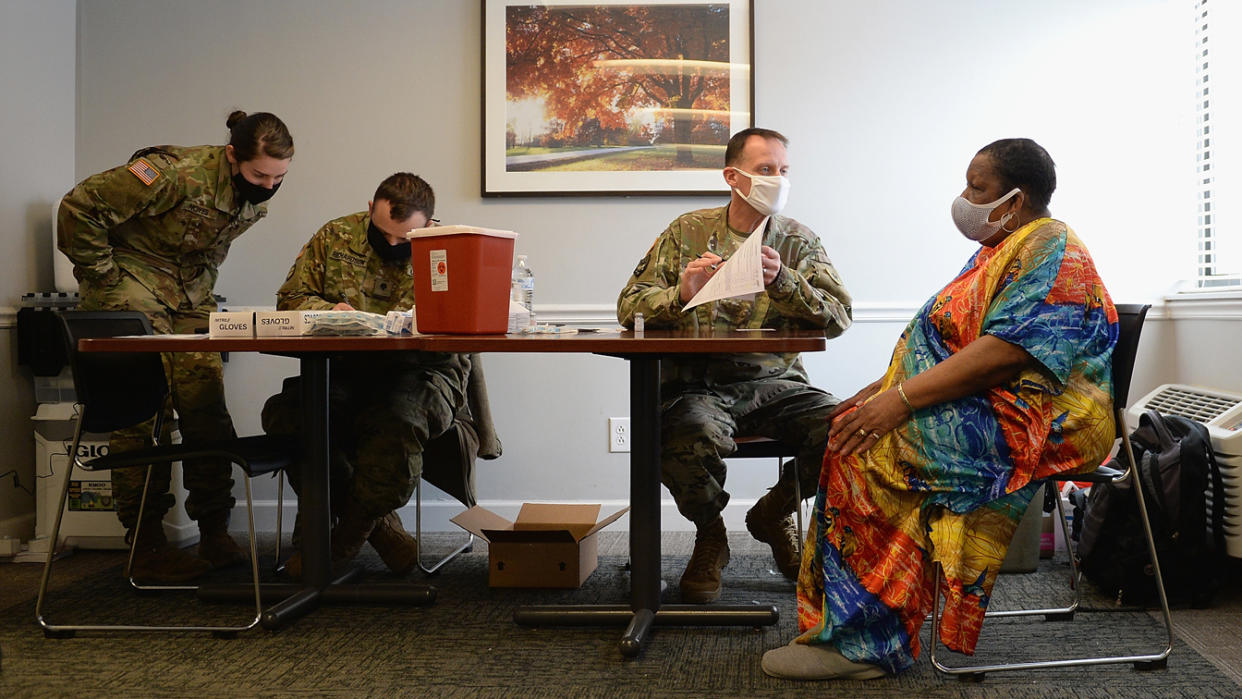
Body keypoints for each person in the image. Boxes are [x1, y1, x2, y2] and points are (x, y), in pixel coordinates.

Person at [761, 138, 1118, 680]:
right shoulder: (1003, 247)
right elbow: (953, 341)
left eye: (979, 188)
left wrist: (899, 402)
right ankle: (865, 615)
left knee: (873, 450)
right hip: (996, 404)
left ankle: (863, 646)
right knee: (848, 428)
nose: (965, 198)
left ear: (1016, 200)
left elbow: (1007, 352)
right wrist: (883, 389)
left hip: (1044, 422)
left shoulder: (1053, 248)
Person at [616, 127, 853, 603]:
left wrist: (784, 281)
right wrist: (680, 293)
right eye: (766, 170)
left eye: (784, 171)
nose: (778, 180)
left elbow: (839, 317)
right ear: (733, 176)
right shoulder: (687, 231)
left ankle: (772, 512)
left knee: (847, 428)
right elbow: (629, 308)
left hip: (776, 384)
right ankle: (710, 535)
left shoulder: (798, 242)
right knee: (688, 434)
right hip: (697, 386)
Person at [57, 110, 294, 583]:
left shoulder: (254, 195)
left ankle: (214, 532)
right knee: (141, 414)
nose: (268, 187)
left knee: (208, 410)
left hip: (189, 298)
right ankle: (145, 544)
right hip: (132, 288)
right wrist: (105, 279)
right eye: (259, 175)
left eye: (278, 178)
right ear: (232, 155)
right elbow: (77, 207)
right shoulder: (170, 174)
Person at [261, 172, 473, 577]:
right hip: (342, 368)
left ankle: (343, 542)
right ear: (370, 208)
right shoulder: (336, 236)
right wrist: (329, 312)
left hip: (422, 371)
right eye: (382, 233)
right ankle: (381, 528)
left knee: (399, 422)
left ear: (428, 224)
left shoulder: (450, 248)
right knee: (289, 416)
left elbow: (471, 319)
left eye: (402, 238)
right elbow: (289, 299)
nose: (391, 244)